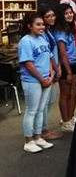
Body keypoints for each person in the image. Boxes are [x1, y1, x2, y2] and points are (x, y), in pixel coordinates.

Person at [19, 14, 55, 153]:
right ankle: (28, 141)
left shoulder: (42, 39)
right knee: (32, 110)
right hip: (33, 80)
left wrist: (51, 74)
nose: (42, 27)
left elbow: (49, 57)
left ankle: (38, 137)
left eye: (42, 24)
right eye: (38, 24)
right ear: (29, 26)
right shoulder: (26, 41)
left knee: (41, 110)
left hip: (46, 79)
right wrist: (42, 79)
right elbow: (29, 64)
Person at [51, 4, 76, 132]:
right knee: (65, 94)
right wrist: (68, 72)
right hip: (66, 65)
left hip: (75, 63)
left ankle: (71, 117)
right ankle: (65, 121)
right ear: (61, 16)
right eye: (66, 13)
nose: (70, 15)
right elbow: (63, 53)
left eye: (71, 12)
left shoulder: (69, 28)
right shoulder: (60, 31)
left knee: (73, 93)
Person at [38, 7, 62, 140]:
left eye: (53, 15)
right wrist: (54, 68)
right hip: (47, 71)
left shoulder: (48, 31)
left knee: (51, 100)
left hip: (53, 69)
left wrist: (57, 66)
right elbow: (47, 53)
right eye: (48, 16)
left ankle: (42, 128)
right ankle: (43, 130)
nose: (52, 18)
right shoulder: (41, 34)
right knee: (45, 102)